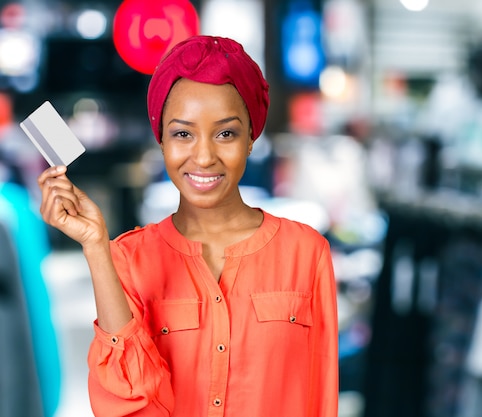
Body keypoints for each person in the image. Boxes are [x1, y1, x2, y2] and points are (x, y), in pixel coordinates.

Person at [37, 35, 339, 417]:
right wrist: (97, 247)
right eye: (183, 133)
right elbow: (124, 402)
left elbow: (321, 396)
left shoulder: (307, 252)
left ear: (250, 139)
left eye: (226, 133)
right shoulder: (127, 259)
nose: (203, 156)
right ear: (161, 140)